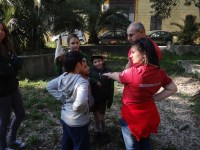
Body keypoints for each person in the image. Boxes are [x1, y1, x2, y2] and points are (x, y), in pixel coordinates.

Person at [103, 38, 177, 150]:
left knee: (132, 146)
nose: (130, 56)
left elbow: (118, 75)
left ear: (144, 55)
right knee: (145, 142)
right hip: (148, 117)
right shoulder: (160, 72)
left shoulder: (132, 73)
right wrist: (155, 97)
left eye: (133, 53)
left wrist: (109, 74)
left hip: (132, 118)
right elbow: (172, 88)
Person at [46, 51, 93, 150]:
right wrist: (75, 106)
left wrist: (62, 98)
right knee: (80, 145)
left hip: (65, 117)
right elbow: (80, 103)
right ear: (78, 64)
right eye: (82, 61)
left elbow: (49, 86)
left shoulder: (63, 77)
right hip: (78, 121)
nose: (84, 63)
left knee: (66, 142)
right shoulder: (82, 82)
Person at [0, 22, 25, 150]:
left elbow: (17, 62)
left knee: (20, 113)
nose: (1, 32)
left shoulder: (6, 46)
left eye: (3, 29)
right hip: (2, 91)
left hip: (12, 87)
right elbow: (4, 71)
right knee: (4, 120)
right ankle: (2, 146)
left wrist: (12, 66)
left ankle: (12, 140)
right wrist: (11, 68)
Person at [89, 55, 114, 138]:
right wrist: (95, 81)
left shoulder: (108, 71)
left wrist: (110, 99)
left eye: (99, 61)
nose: (97, 63)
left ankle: (103, 130)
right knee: (95, 116)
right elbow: (89, 78)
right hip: (94, 97)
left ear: (102, 61)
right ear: (93, 64)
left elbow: (111, 86)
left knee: (101, 118)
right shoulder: (91, 71)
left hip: (103, 98)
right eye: (95, 62)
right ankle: (97, 130)